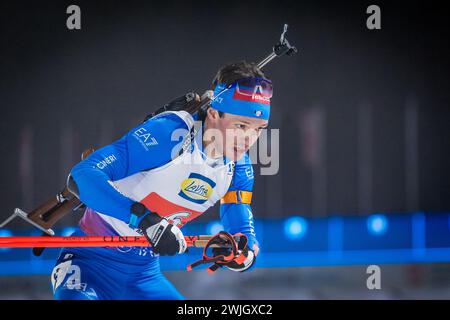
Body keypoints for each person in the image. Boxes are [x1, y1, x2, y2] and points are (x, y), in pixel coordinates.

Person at [50, 61, 273, 299]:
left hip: (142, 276)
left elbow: (241, 229)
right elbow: (82, 176)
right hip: (89, 263)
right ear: (213, 113)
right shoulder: (169, 134)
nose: (249, 138)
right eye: (241, 125)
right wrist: (146, 220)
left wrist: (242, 254)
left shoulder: (239, 167)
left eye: (259, 129)